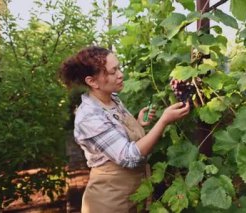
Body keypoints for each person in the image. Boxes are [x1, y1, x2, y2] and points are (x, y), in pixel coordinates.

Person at [59, 46, 190, 213]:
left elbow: (117, 136)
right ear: (92, 81)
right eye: (113, 72)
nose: (121, 74)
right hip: (109, 202)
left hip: (133, 194)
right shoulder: (89, 117)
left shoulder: (112, 99)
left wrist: (136, 123)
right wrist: (163, 121)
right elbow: (128, 156)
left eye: (119, 68)